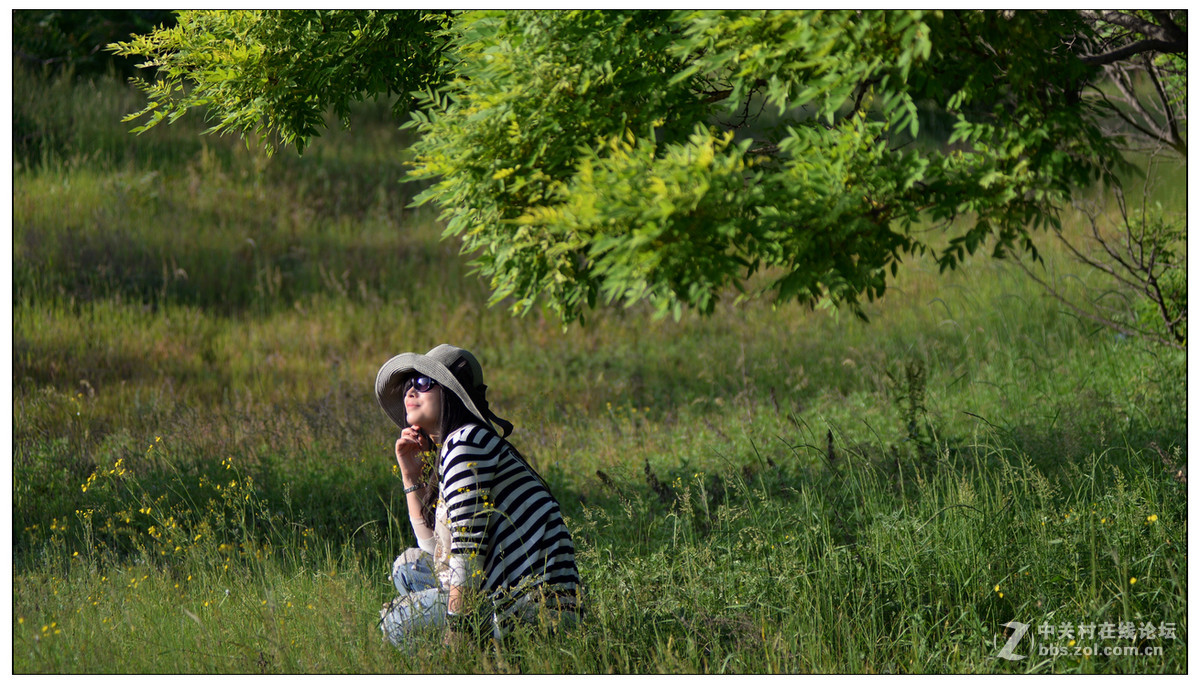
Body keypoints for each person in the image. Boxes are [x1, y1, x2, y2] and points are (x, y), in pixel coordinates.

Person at [374, 344, 581, 648]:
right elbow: (435, 551)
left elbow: (468, 551)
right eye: (408, 385)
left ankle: (472, 658)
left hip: (530, 608)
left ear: (451, 392)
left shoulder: (467, 444)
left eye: (424, 382)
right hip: (504, 591)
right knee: (407, 568)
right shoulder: (460, 445)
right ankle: (477, 648)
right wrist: (410, 477)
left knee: (396, 619)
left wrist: (458, 629)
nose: (411, 391)